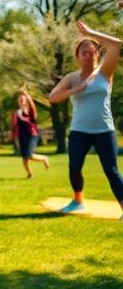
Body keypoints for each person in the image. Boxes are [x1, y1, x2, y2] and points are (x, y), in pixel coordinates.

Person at [48, 20, 123, 215]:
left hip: (104, 130)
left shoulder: (105, 73)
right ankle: (78, 200)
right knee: (74, 167)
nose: (88, 56)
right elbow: (53, 97)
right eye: (84, 53)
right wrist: (75, 89)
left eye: (92, 52)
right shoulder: (71, 78)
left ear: (97, 55)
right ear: (78, 57)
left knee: (111, 171)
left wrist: (90, 32)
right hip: (79, 131)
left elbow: (116, 44)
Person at [10, 88, 50, 178]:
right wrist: (13, 134)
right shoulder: (16, 112)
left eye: (22, 98)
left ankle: (44, 158)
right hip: (22, 136)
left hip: (32, 134)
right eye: (19, 99)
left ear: (26, 100)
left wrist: (26, 94)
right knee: (25, 157)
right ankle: (29, 174)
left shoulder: (30, 111)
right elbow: (14, 125)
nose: (20, 99)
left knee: (30, 155)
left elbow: (31, 103)